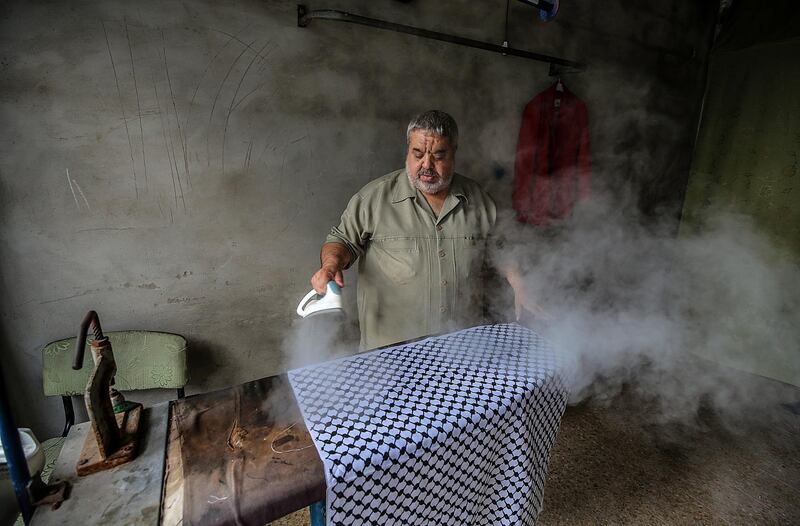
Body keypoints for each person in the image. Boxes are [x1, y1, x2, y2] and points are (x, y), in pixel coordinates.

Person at [310, 110, 531, 350]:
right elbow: (342, 240)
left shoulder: (478, 200)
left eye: (438, 155)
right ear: (408, 150)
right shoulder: (374, 198)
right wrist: (330, 265)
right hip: (391, 352)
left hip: (461, 345)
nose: (426, 165)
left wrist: (519, 283)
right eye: (418, 154)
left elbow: (501, 247)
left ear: (454, 152)